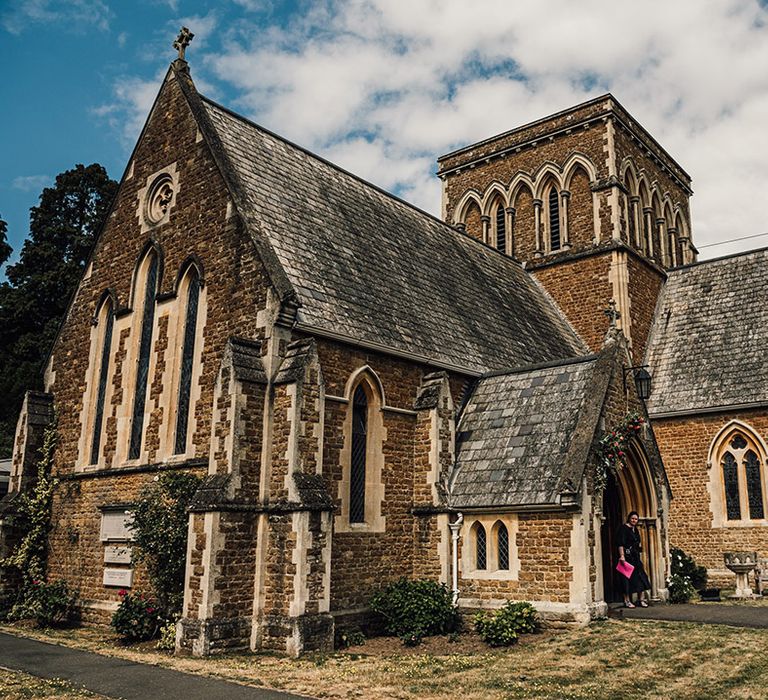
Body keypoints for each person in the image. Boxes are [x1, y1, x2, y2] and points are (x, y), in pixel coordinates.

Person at [617, 511, 652, 608]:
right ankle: (627, 601)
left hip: (635, 557)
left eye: (636, 519)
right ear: (629, 518)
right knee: (626, 579)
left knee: (641, 577)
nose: (634, 520)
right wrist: (622, 556)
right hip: (627, 557)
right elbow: (620, 543)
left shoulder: (635, 529)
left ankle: (641, 599)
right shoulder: (623, 528)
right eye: (632, 518)